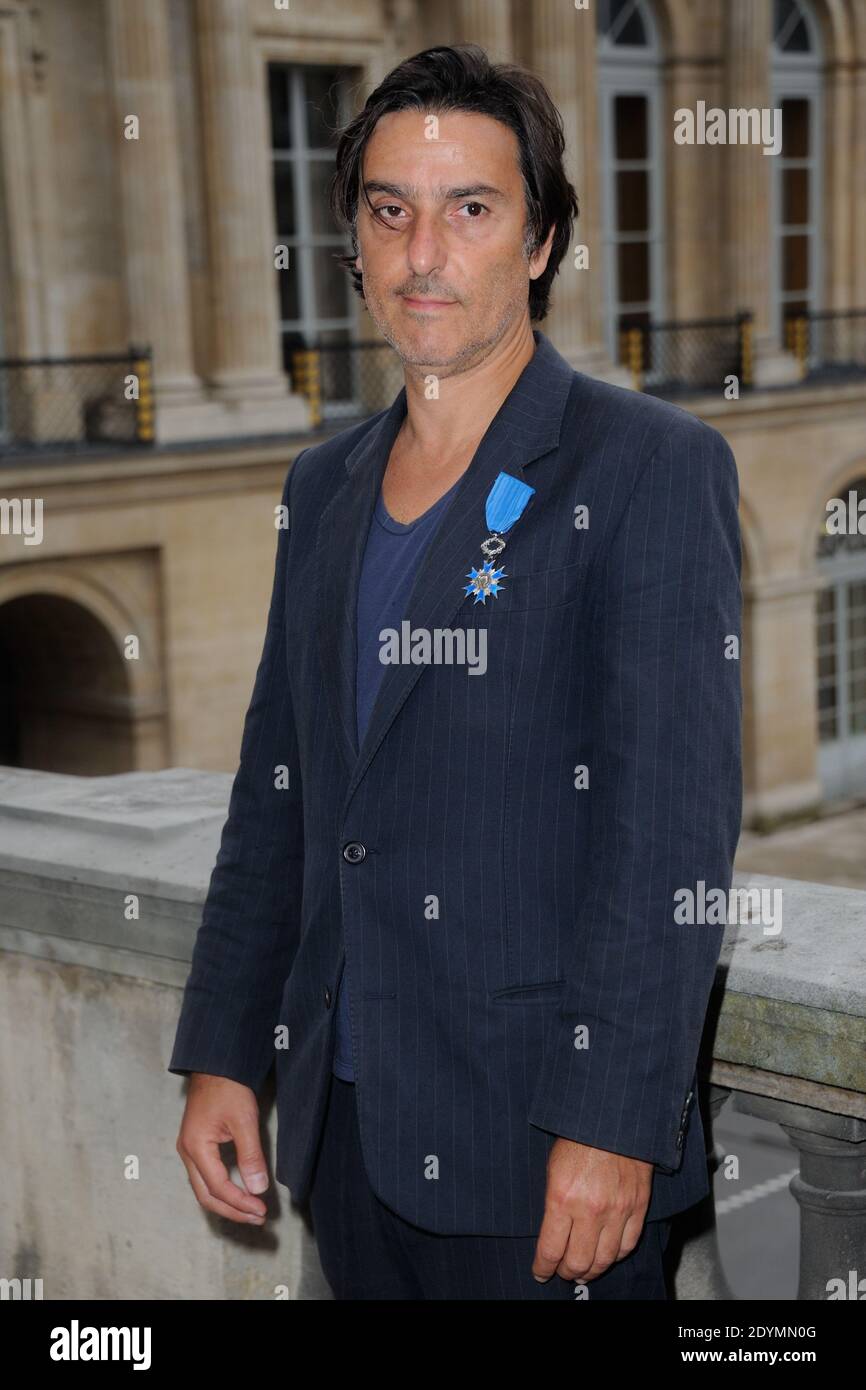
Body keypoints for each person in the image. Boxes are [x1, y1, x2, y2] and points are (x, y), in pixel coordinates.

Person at [169, 44, 742, 1301]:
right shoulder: (319, 487)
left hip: (541, 1154)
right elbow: (279, 797)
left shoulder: (645, 468)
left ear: (538, 244)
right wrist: (224, 1051)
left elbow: (668, 840)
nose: (422, 252)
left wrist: (610, 1121)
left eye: (469, 210)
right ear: (354, 243)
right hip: (347, 1127)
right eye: (390, 211)